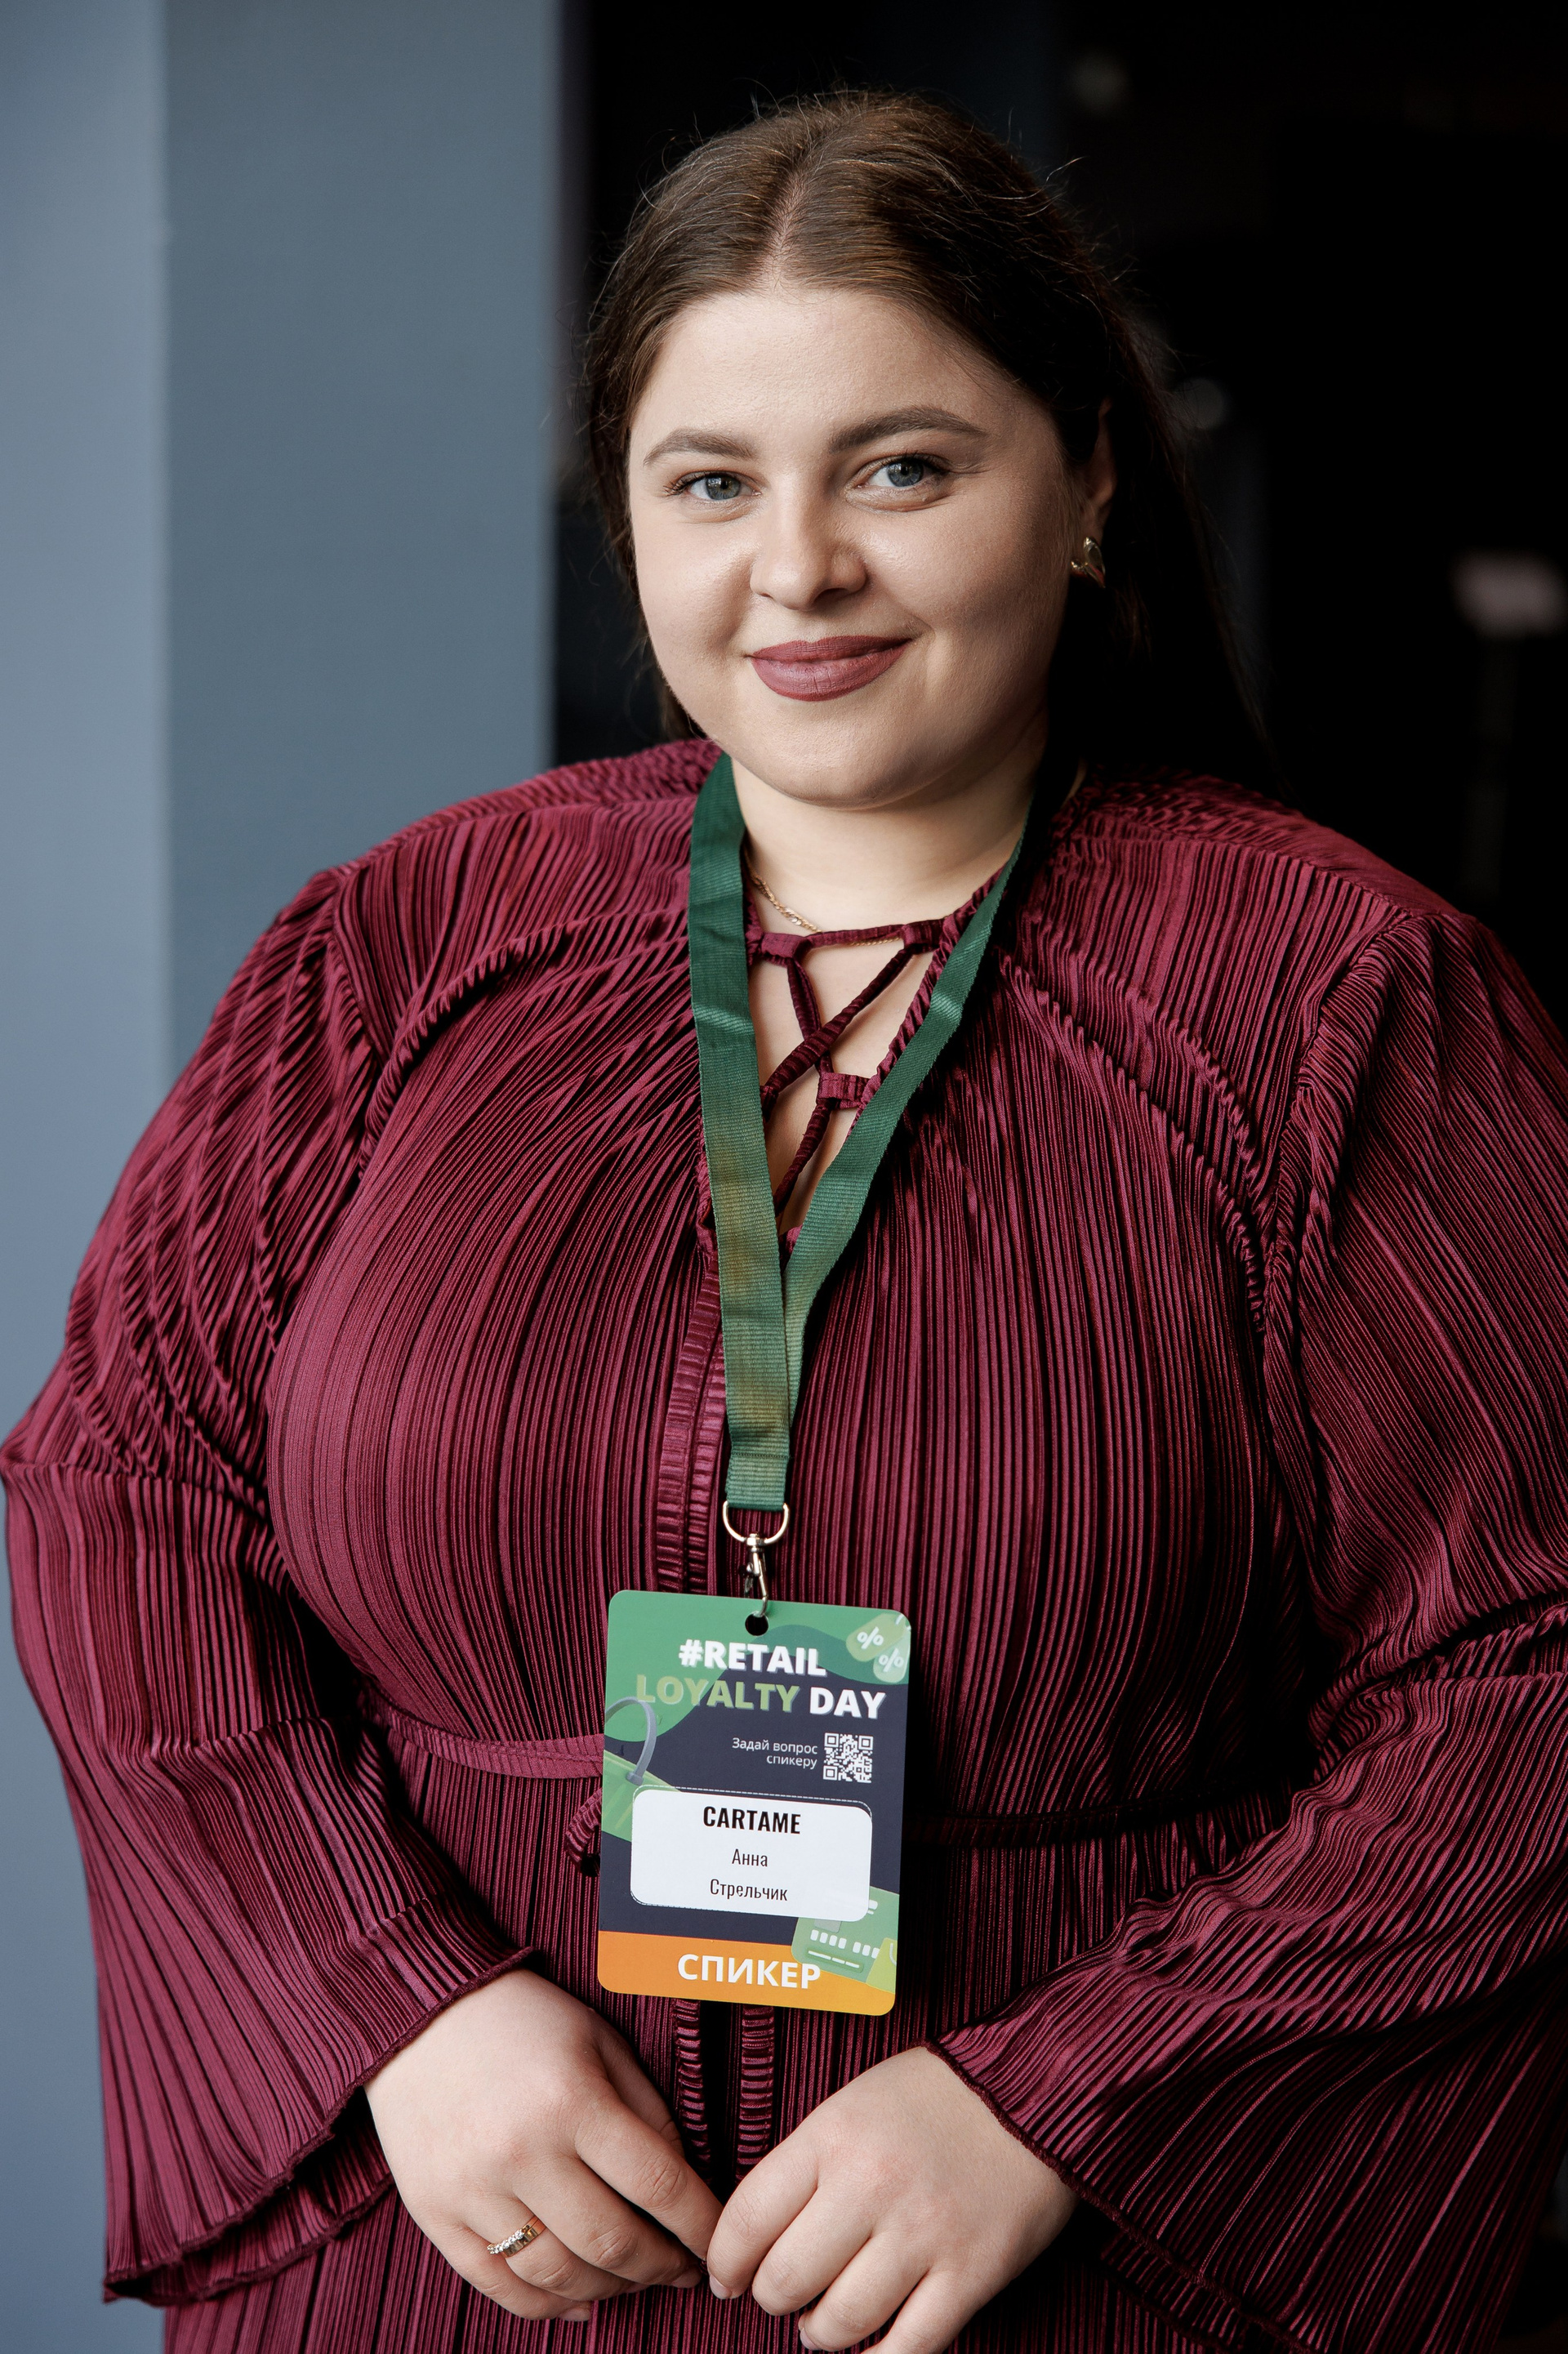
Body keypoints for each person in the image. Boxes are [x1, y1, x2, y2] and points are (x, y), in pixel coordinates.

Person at [6, 87, 1568, 2354]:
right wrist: (390, 2004)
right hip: (449, 2243)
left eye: (900, 469)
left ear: (1089, 481)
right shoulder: (400, 946)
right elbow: (120, 1493)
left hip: (1060, 2269)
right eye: (712, 482)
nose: (798, 569)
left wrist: (1069, 2102)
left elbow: (1527, 1666)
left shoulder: (1343, 1003)